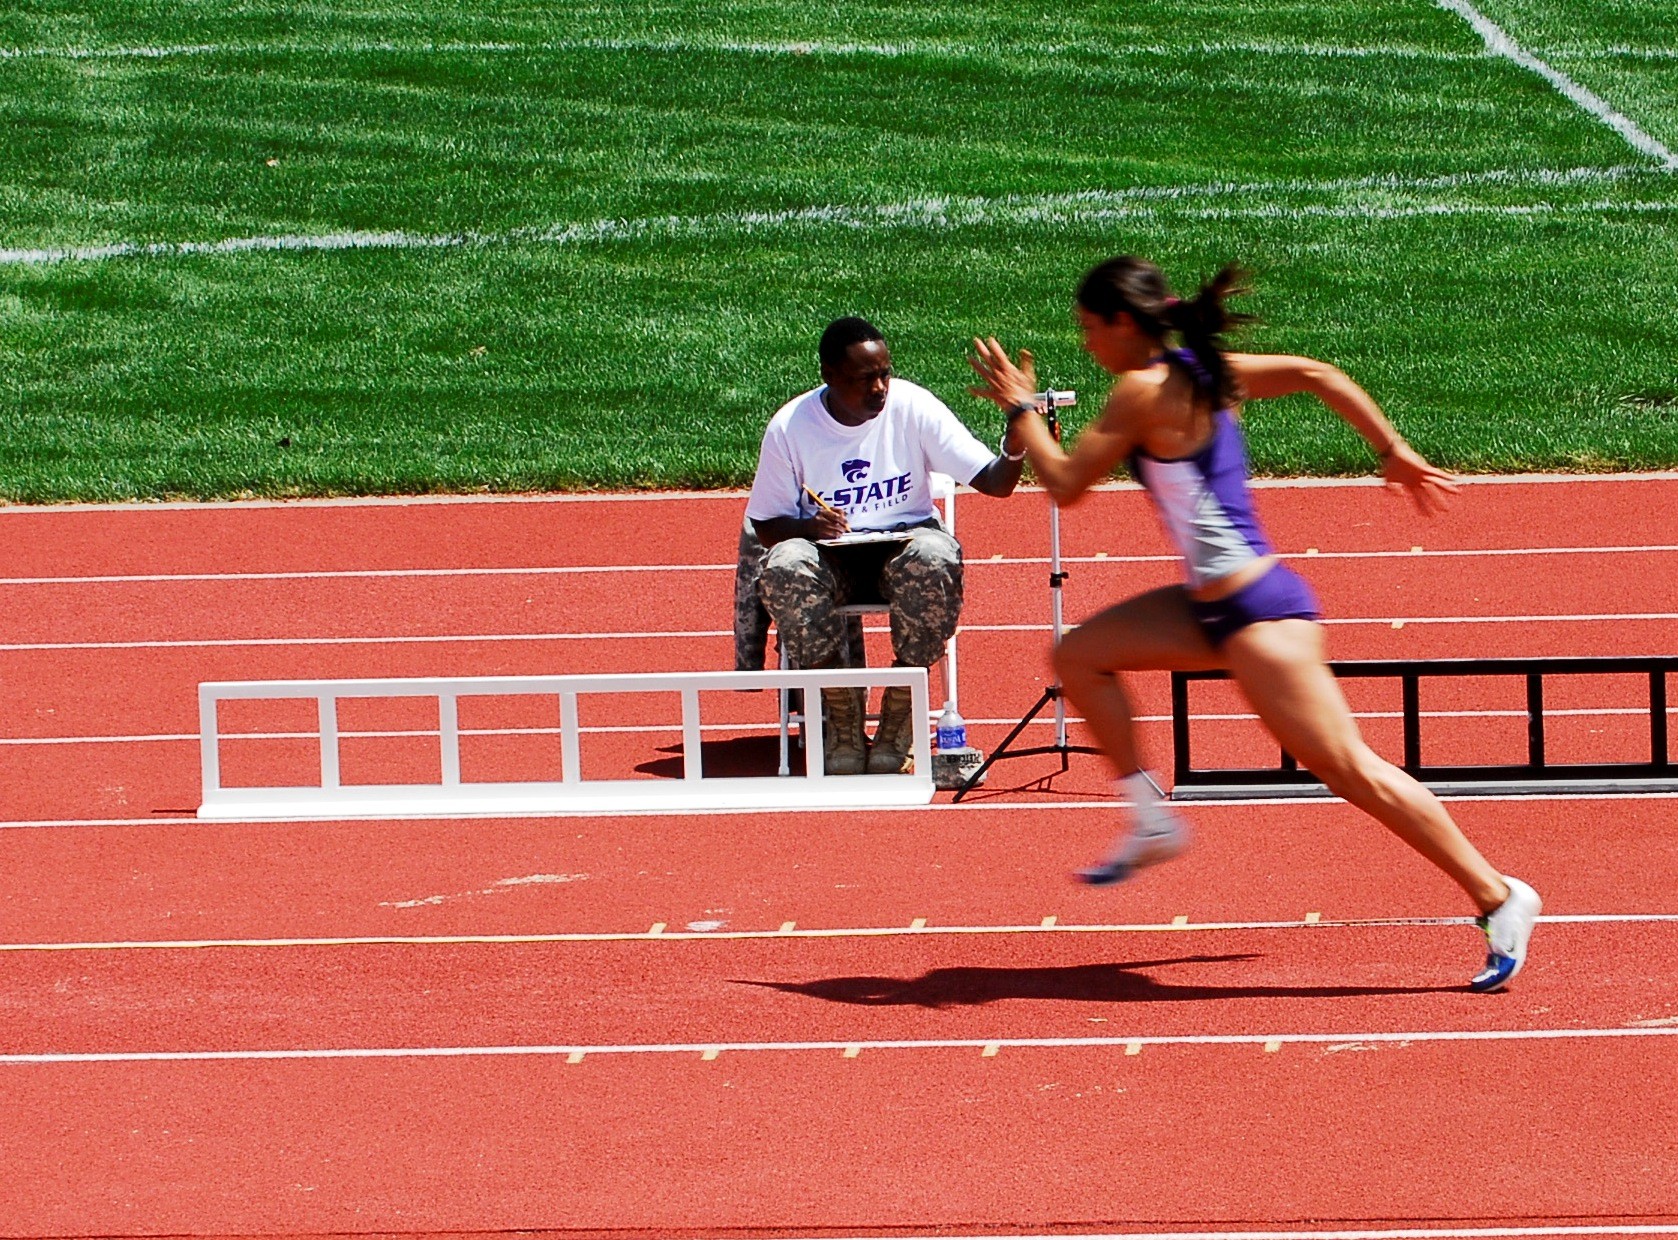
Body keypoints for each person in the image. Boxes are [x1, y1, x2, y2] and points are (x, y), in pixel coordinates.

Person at [966, 256, 1541, 992]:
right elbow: (1318, 375)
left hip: (1258, 614)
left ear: (1122, 323)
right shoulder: (1202, 369)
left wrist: (1022, 410)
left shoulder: (1144, 389)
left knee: (1350, 769)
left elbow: (1068, 486)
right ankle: (1151, 821)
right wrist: (1389, 449)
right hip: (1211, 608)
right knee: (1079, 655)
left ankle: (1499, 896)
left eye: (1088, 329)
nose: (1085, 345)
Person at [747, 316, 1025, 774]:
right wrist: (807, 527)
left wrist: (1015, 445)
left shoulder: (913, 407)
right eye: (864, 379)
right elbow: (764, 526)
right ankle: (841, 715)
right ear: (830, 376)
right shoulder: (791, 426)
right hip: (832, 556)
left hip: (904, 546)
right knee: (785, 565)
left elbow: (995, 483)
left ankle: (902, 713)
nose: (879, 388)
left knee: (935, 555)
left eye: (885, 374)